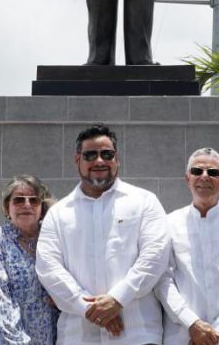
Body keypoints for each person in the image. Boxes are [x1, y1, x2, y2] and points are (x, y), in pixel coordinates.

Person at [36, 124, 169, 344]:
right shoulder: (58, 213)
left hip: (137, 333)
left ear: (117, 159)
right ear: (77, 160)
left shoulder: (144, 201)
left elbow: (155, 256)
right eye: (90, 155)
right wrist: (89, 308)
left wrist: (118, 299)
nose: (99, 161)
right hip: (77, 335)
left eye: (107, 154)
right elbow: (48, 267)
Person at [156, 147, 219, 345]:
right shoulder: (169, 223)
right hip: (183, 336)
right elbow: (163, 280)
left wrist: (217, 330)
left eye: (213, 172)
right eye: (197, 171)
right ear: (187, 178)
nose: (204, 176)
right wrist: (192, 324)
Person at [0, 175, 59, 345]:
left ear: (41, 207)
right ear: (6, 206)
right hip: (14, 339)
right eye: (18, 200)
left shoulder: (53, 237)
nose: (27, 205)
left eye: (34, 200)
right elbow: (0, 300)